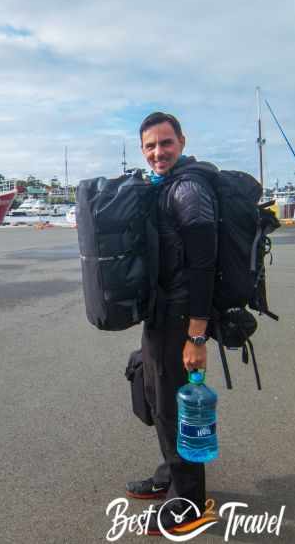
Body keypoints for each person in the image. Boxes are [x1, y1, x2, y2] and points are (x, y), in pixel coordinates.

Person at [125, 112, 219, 535]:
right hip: (162, 314)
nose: (157, 152)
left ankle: (187, 505)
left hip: (183, 319)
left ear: (182, 141)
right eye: (150, 146)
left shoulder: (189, 189)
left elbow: (203, 264)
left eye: (165, 143)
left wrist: (197, 334)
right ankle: (169, 476)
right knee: (155, 394)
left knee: (176, 408)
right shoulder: (165, 187)